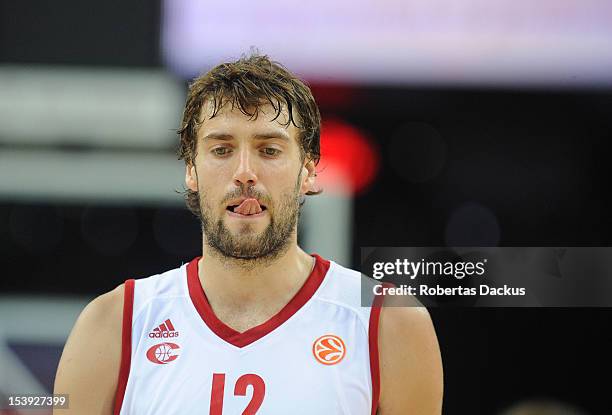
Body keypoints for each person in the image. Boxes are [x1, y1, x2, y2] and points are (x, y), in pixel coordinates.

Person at [53, 53, 443, 414]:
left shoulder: (388, 323)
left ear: (308, 169)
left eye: (269, 150)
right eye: (221, 150)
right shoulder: (114, 323)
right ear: (191, 169)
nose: (244, 172)